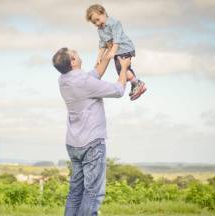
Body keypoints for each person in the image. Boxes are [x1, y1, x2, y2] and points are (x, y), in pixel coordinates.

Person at [52, 47, 130, 216]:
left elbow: (93, 75)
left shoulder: (63, 80)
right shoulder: (84, 82)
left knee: (75, 192)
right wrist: (124, 67)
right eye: (76, 53)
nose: (78, 54)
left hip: (74, 144)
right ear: (73, 62)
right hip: (91, 144)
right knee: (93, 193)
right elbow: (119, 90)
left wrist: (107, 58)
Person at [86, 4, 147, 101]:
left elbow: (117, 38)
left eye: (97, 20)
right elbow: (103, 43)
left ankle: (137, 83)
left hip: (124, 48)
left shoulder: (114, 23)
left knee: (121, 68)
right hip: (117, 52)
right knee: (121, 71)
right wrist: (99, 57)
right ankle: (136, 84)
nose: (97, 23)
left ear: (103, 13)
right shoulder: (100, 30)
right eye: (94, 23)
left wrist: (113, 51)